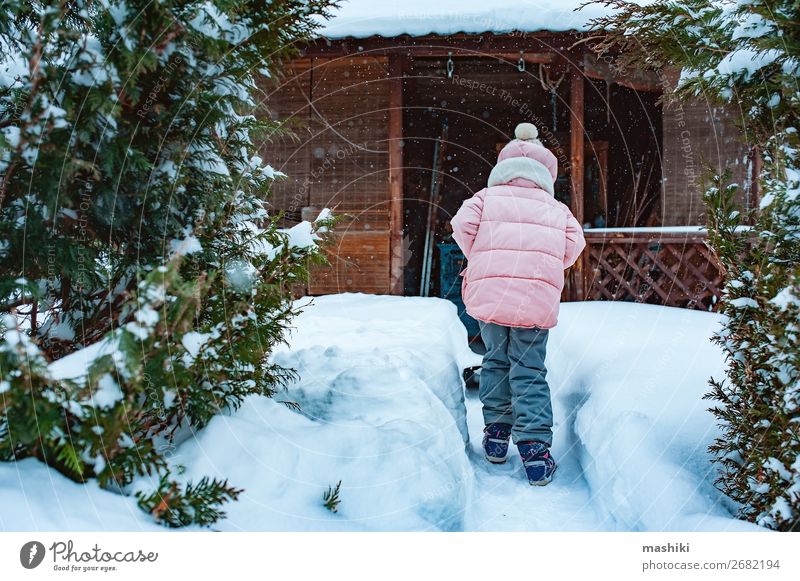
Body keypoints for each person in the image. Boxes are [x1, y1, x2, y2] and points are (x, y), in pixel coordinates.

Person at [450, 122, 585, 486]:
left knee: (495, 359)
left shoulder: (483, 198)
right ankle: (535, 453)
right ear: (546, 172)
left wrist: (484, 258)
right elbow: (574, 245)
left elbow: (460, 226)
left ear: (504, 167)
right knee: (529, 368)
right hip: (534, 300)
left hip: (491, 297)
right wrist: (543, 265)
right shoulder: (557, 209)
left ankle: (496, 437)